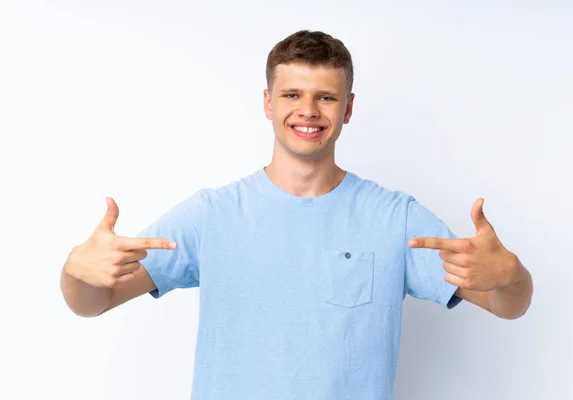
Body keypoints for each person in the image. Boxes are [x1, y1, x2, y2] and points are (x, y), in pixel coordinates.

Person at [60, 30, 533, 399]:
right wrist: (76, 273)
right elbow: (92, 304)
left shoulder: (395, 219)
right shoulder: (212, 215)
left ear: (347, 109)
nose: (308, 110)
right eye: (291, 95)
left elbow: (507, 306)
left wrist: (511, 276)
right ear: (268, 103)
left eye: (326, 97)